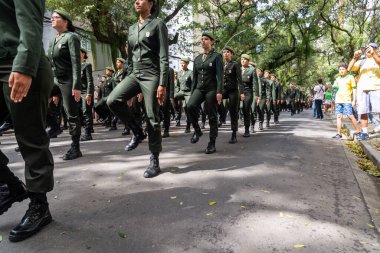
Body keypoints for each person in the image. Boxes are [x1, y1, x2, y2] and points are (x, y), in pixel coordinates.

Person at [0, 0, 54, 242]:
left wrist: (24, 65)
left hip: (16, 65)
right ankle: (8, 186)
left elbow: (30, 19)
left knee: (30, 139)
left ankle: (39, 205)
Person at [107, 0, 168, 178]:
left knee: (152, 117)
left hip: (152, 74)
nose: (137, 2)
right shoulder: (132, 28)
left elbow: (164, 55)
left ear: (150, 3)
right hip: (135, 73)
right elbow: (130, 57)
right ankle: (137, 131)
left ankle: (154, 159)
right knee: (113, 100)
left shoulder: (158, 24)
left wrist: (162, 83)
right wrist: (127, 79)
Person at [48, 9, 82, 160]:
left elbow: (76, 62)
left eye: (56, 17)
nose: (52, 19)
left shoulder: (71, 37)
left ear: (65, 21)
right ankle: (54, 126)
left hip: (68, 80)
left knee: (71, 114)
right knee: (35, 98)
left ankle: (76, 148)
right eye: (52, 17)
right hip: (55, 79)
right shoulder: (53, 39)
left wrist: (77, 85)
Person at [187, 33, 223, 154]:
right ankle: (197, 130)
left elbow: (219, 76)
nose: (203, 41)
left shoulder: (217, 57)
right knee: (189, 106)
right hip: (199, 88)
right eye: (202, 39)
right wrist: (192, 93)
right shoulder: (197, 58)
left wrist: (219, 92)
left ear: (212, 42)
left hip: (211, 89)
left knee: (211, 114)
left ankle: (212, 143)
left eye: (206, 39)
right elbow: (195, 79)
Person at [348, 43, 380, 140]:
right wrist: (355, 57)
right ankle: (365, 133)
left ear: (375, 49)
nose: (368, 50)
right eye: (367, 48)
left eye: (371, 48)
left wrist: (373, 53)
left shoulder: (377, 58)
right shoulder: (362, 61)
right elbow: (349, 68)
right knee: (363, 111)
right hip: (362, 88)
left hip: (376, 88)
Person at [332, 62, 360, 138]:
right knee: (338, 116)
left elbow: (354, 89)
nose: (341, 71)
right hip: (338, 100)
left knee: (350, 115)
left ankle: (358, 131)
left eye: (343, 69)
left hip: (347, 100)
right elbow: (335, 89)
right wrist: (334, 88)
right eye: (340, 69)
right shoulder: (337, 79)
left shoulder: (350, 77)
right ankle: (339, 133)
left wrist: (354, 100)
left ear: (346, 70)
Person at [220, 47, 242, 143]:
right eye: (224, 52)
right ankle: (222, 115)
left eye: (227, 52)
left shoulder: (235, 65)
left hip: (233, 91)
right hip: (224, 90)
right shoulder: (221, 64)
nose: (225, 54)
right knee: (213, 100)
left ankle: (234, 134)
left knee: (233, 112)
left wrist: (241, 93)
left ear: (231, 54)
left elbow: (240, 80)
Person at [240, 54, 258, 137]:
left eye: (245, 59)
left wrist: (257, 95)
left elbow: (255, 83)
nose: (243, 60)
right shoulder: (238, 69)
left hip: (248, 92)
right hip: (238, 92)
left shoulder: (252, 70)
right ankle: (234, 130)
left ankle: (247, 129)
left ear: (248, 61)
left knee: (246, 110)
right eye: (242, 59)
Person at [79, 48, 95, 141]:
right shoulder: (75, 66)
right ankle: (83, 130)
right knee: (79, 112)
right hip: (77, 92)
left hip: (85, 92)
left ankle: (88, 133)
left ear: (83, 54)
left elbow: (89, 80)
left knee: (86, 112)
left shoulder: (86, 65)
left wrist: (89, 93)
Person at [175, 56, 193, 133]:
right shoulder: (178, 73)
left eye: (184, 63)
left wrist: (192, 94)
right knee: (172, 98)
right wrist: (177, 91)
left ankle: (188, 125)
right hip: (181, 91)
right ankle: (176, 114)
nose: (182, 65)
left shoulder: (190, 72)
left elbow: (193, 84)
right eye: (181, 63)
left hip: (188, 92)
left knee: (187, 107)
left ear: (187, 64)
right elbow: (177, 85)